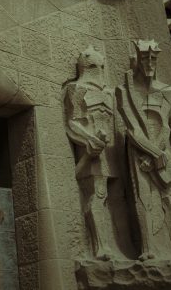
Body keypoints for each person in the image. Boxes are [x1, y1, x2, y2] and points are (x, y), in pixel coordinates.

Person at [116, 40, 171, 261]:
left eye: (153, 58)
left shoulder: (166, 91)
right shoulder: (125, 91)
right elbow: (132, 130)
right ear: (137, 60)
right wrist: (152, 154)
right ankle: (148, 248)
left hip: (161, 150)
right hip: (139, 152)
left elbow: (165, 126)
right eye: (145, 58)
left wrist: (159, 154)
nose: (149, 63)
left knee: (169, 197)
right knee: (144, 197)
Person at [64, 47, 124, 260]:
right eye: (93, 66)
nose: (98, 70)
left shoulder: (109, 92)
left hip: (111, 152)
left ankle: (117, 245)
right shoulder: (76, 88)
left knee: (113, 197)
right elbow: (72, 122)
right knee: (97, 194)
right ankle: (101, 246)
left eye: (100, 66)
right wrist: (89, 139)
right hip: (93, 152)